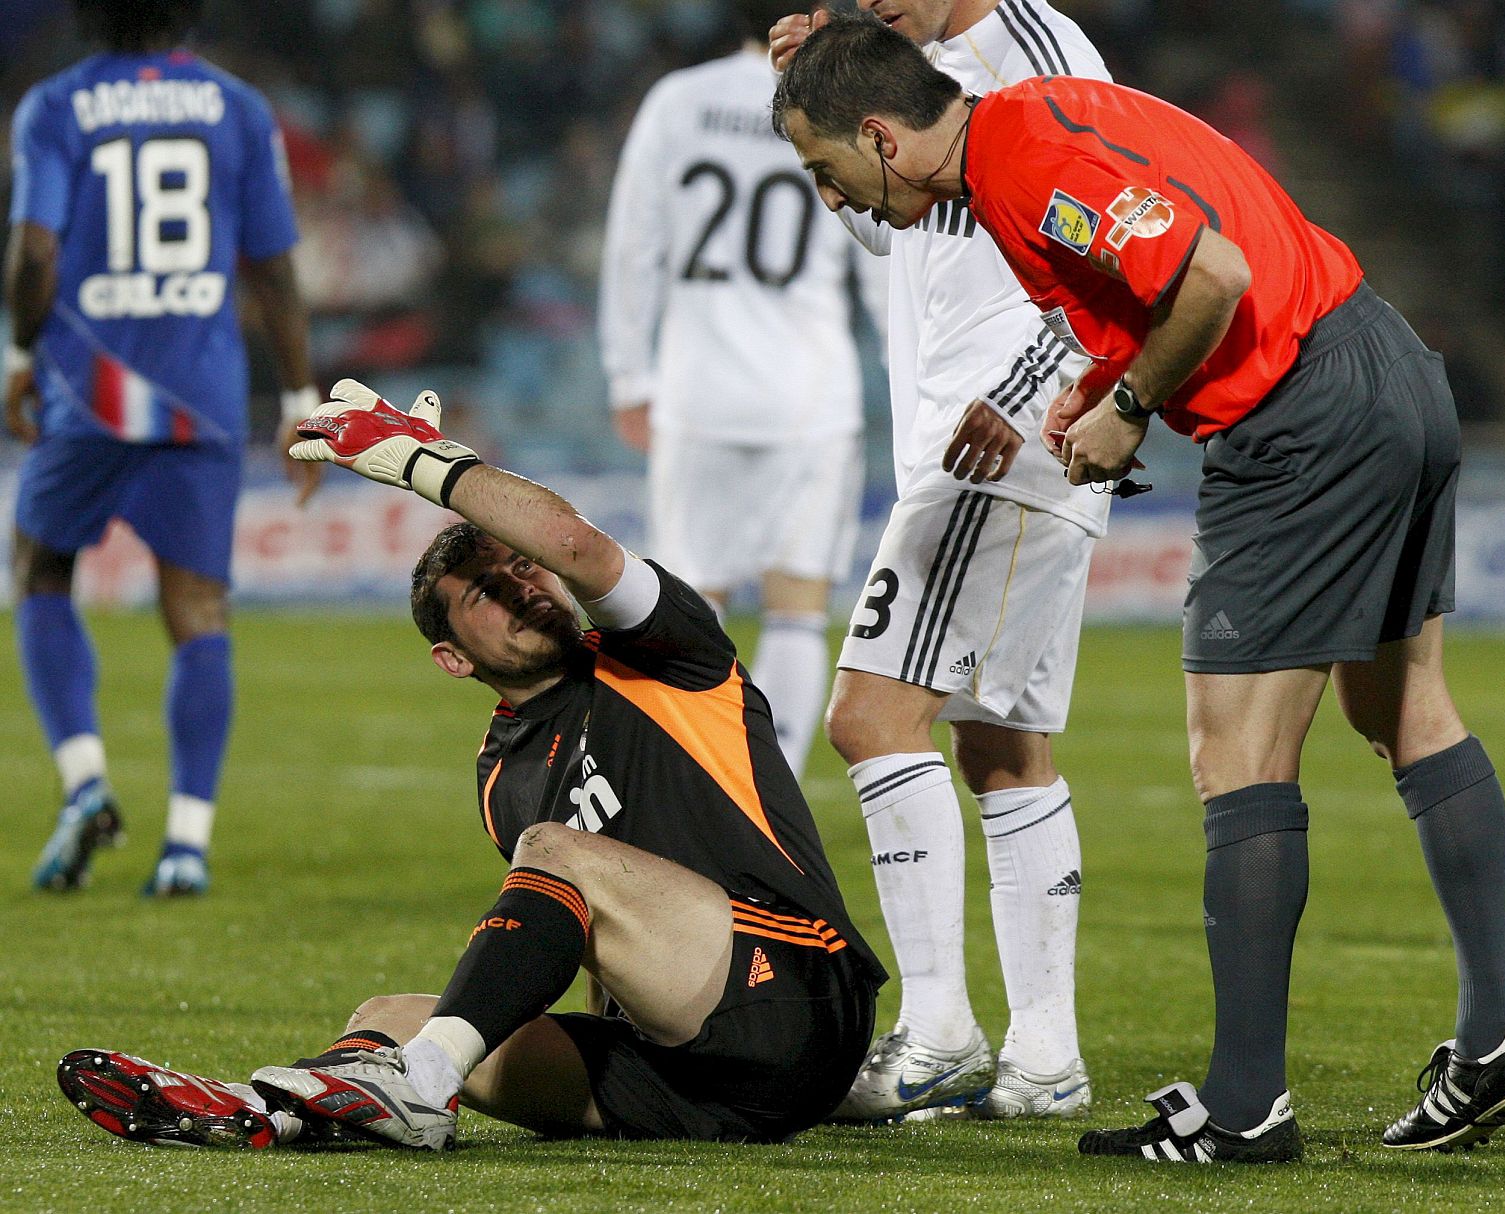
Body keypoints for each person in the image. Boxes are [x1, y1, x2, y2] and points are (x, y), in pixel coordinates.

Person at [772, 13, 1505, 1162]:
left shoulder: (1020, 165)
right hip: (1385, 365)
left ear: (882, 137)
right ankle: (1493, 1038)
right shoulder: (1035, 120)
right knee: (1405, 707)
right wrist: (1100, 377)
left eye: (823, 168)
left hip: (1298, 414)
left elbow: (1211, 274)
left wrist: (1131, 404)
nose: (832, 196)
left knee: (1234, 754)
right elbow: (1170, 246)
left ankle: (1243, 1106)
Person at [58, 379, 885, 1150]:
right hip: (691, 1076)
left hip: (794, 996)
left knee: (553, 853)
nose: (522, 585)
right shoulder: (500, 778)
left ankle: (424, 1084)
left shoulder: (665, 653)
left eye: (521, 566)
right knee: (388, 1015)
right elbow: (600, 943)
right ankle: (264, 1111)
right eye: (486, 592)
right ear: (453, 659)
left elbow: (572, 541)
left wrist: (428, 463)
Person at [768, 0, 1112, 1123]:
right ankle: (1046, 1058)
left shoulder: (1037, 49)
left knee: (869, 717)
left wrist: (1028, 390)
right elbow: (907, 230)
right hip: (990, 432)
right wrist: (828, 101)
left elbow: (1115, 237)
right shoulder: (914, 74)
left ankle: (935, 1029)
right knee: (1003, 745)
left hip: (1004, 436)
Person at [5, 0, 321, 896]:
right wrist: (300, 397)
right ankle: (187, 843)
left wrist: (21, 353)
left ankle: (85, 783)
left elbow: (34, 256)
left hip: (89, 389)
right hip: (200, 393)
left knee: (41, 569)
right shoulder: (239, 107)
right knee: (198, 609)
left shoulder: (56, 105)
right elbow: (274, 266)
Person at [598, 0, 875, 777]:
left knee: (691, 604)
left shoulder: (678, 100)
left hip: (697, 392)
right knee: (797, 607)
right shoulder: (844, 99)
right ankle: (775, 787)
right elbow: (883, 254)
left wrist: (629, 374)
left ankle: (706, 780)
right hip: (810, 394)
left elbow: (634, 244)